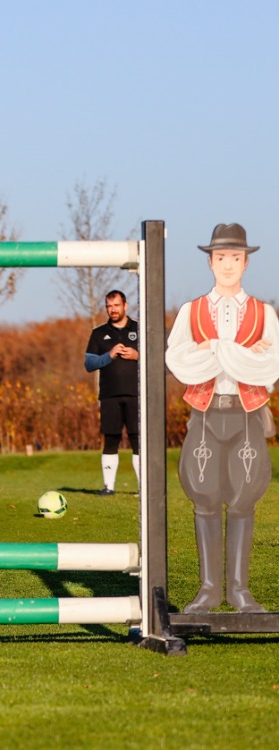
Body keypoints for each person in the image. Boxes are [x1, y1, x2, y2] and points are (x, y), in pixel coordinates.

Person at [166, 223, 279, 614]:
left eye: (234, 257)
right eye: (220, 258)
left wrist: (212, 350)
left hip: (246, 413)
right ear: (209, 262)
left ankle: (240, 592)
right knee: (204, 498)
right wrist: (234, 352)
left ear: (246, 262)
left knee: (245, 500)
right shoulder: (190, 311)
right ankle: (209, 590)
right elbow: (179, 361)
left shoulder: (265, 314)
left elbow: (269, 368)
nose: (227, 265)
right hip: (206, 411)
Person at [84, 290, 140, 495]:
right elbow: (89, 364)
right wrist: (109, 355)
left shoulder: (139, 329)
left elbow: (157, 359)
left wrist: (137, 356)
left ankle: (143, 488)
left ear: (125, 306)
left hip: (136, 394)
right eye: (109, 306)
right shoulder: (99, 333)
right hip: (109, 395)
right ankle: (109, 487)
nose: (112, 310)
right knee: (111, 438)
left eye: (116, 305)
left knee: (137, 439)